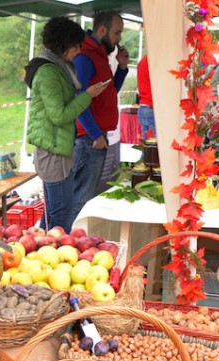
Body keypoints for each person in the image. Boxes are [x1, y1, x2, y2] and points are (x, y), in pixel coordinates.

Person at [25, 17, 108, 232]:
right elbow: (60, 115)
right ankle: (53, 256)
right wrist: (87, 95)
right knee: (60, 216)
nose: (79, 51)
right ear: (63, 46)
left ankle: (42, 248)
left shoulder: (60, 68)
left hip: (59, 146)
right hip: (53, 151)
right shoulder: (48, 73)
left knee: (55, 214)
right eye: (76, 46)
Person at [69, 10, 129, 223]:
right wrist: (96, 135)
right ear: (102, 30)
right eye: (117, 32)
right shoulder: (85, 57)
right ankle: (68, 242)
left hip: (94, 136)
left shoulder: (100, 54)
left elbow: (108, 91)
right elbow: (79, 99)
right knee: (81, 198)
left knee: (85, 195)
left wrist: (121, 68)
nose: (119, 38)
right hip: (88, 138)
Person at [136, 54, 156, 138]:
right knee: (155, 147)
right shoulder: (154, 61)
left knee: (148, 145)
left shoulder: (142, 61)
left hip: (144, 107)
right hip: (152, 108)